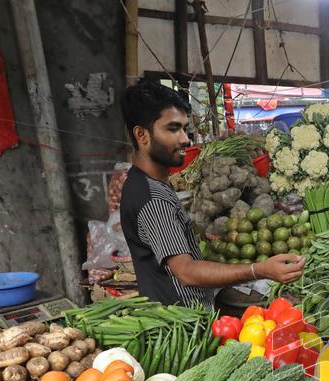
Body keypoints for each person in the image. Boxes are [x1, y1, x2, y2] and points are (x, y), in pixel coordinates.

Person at [119, 81, 303, 309]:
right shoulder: (153, 198)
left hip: (182, 318)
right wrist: (258, 270)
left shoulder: (144, 183)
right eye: (173, 129)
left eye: (184, 129)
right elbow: (186, 272)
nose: (185, 139)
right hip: (182, 326)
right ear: (142, 135)